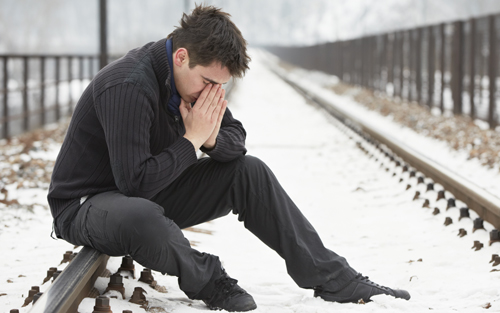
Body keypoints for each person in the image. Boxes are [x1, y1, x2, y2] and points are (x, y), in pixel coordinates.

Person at [48, 4, 410, 312]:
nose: (213, 93)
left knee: (249, 171)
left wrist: (208, 137)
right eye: (207, 82)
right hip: (87, 202)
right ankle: (208, 278)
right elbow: (134, 183)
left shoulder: (198, 85)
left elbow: (237, 143)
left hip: (151, 191)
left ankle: (334, 278)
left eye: (219, 86)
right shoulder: (129, 85)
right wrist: (192, 140)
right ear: (181, 56)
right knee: (140, 215)